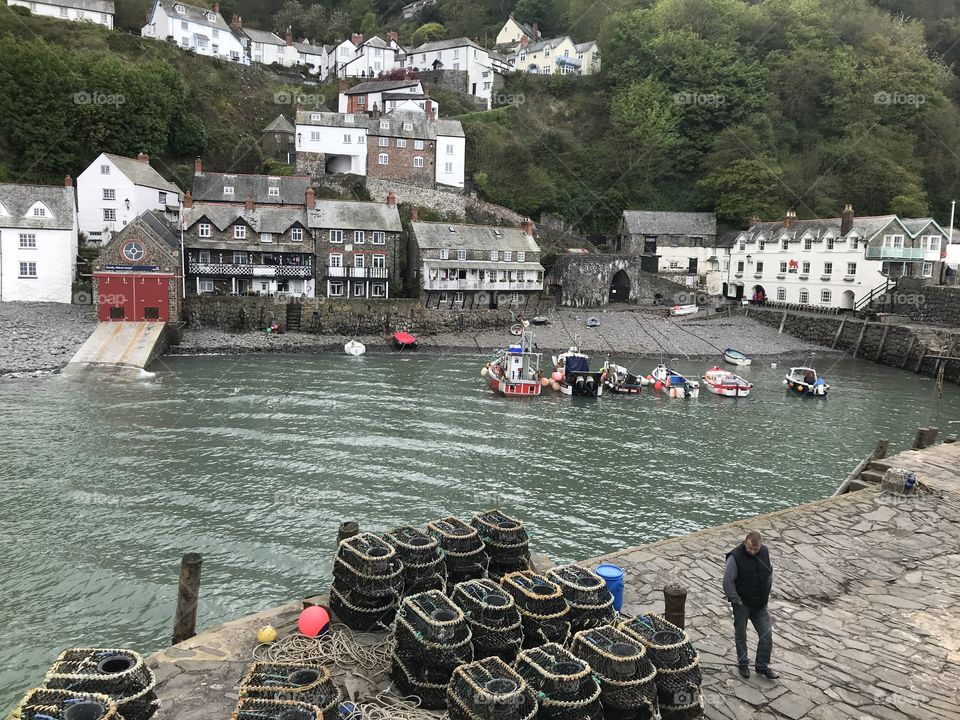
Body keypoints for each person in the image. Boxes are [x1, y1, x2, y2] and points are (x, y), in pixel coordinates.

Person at [724, 531, 779, 680]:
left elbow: (769, 572)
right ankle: (743, 662)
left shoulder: (765, 552)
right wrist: (737, 601)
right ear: (745, 542)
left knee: (766, 634)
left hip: (760, 603)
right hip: (742, 603)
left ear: (761, 545)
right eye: (749, 548)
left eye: (756, 549)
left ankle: (762, 666)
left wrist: (767, 589)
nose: (752, 551)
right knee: (741, 634)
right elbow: (727, 581)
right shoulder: (735, 557)